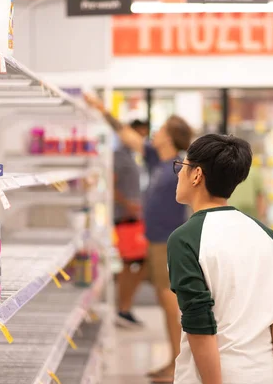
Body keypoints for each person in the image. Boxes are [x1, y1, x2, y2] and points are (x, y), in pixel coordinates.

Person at [168, 133, 273, 384]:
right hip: (263, 374)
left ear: (196, 174)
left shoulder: (185, 239)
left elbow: (199, 326)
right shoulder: (266, 236)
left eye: (181, 166)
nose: (179, 173)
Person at [84, 93, 193, 383]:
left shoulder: (180, 166)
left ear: (169, 137)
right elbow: (126, 135)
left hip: (170, 242)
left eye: (160, 131)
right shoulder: (157, 158)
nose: (154, 134)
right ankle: (174, 361)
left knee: (170, 303)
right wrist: (101, 109)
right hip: (156, 240)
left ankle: (178, 364)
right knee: (164, 300)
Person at [114, 119, 150, 329]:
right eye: (139, 134)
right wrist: (128, 204)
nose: (142, 139)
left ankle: (125, 307)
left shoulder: (132, 156)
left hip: (135, 217)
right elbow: (111, 183)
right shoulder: (119, 155)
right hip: (125, 217)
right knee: (132, 262)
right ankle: (123, 308)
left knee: (138, 263)